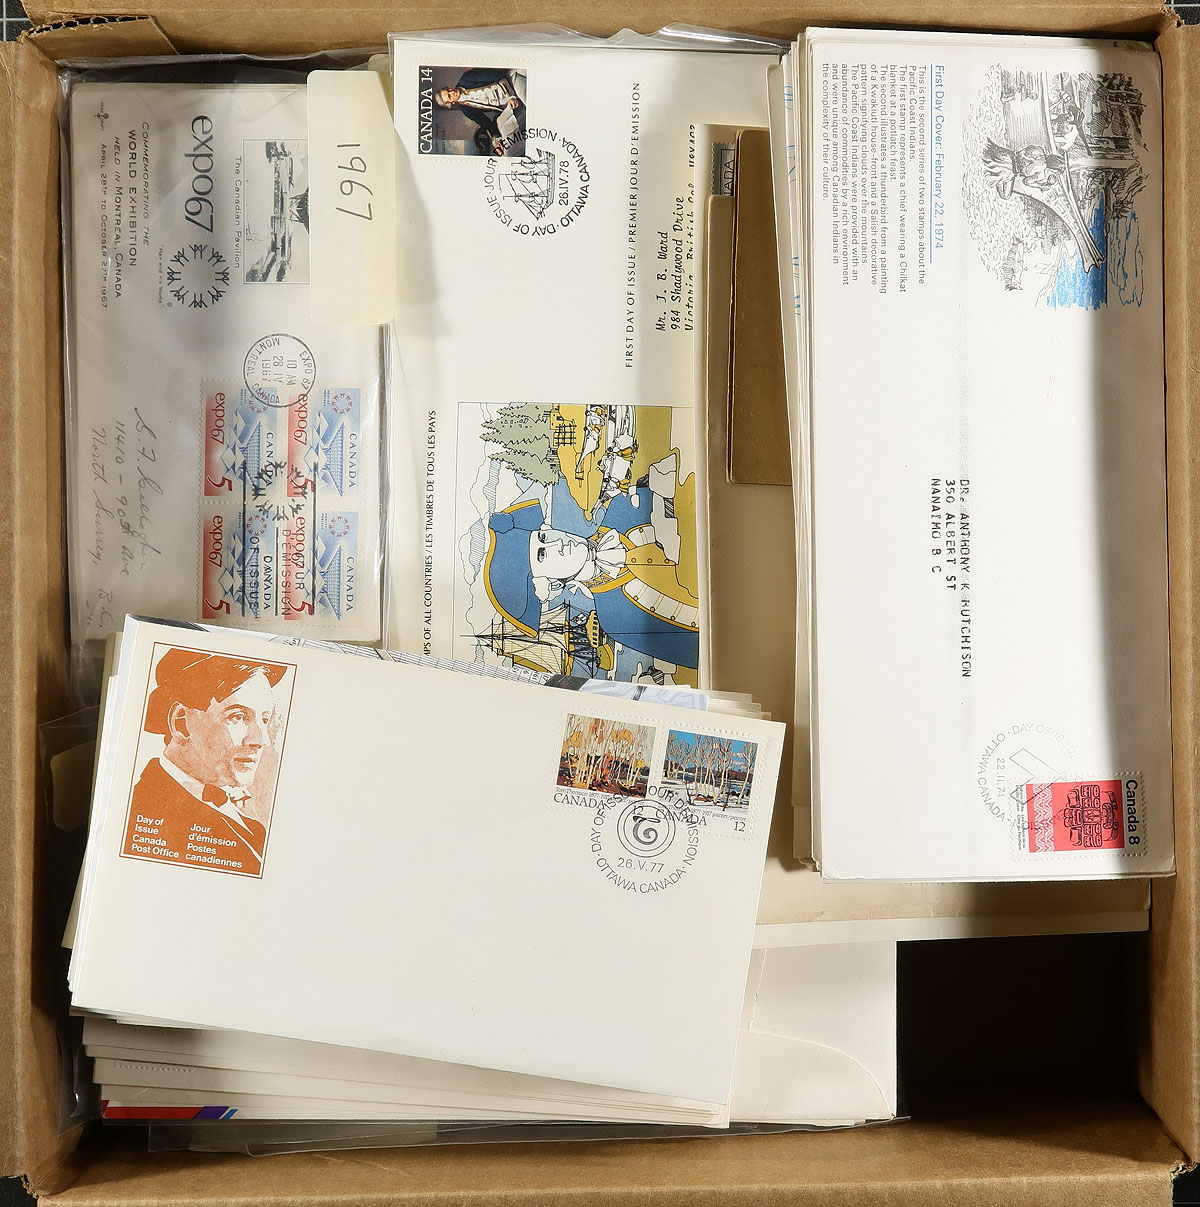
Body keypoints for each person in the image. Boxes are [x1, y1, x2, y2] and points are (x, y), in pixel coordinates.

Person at [482, 459, 700, 680]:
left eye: (544, 537)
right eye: (543, 555)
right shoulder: (614, 621)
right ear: (549, 584)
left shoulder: (623, 506)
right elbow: (695, 653)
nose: (558, 543)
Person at [127, 649, 286, 876]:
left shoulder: (252, 826)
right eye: (238, 717)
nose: (262, 740)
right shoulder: (140, 813)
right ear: (181, 724)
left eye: (264, 719)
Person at [436, 68, 527, 155]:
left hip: (510, 82)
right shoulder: (466, 110)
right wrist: (495, 140)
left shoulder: (466, 79)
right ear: (451, 103)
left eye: (448, 90)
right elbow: (485, 123)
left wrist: (509, 96)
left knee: (528, 101)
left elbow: (496, 75)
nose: (452, 92)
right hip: (509, 106)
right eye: (449, 96)